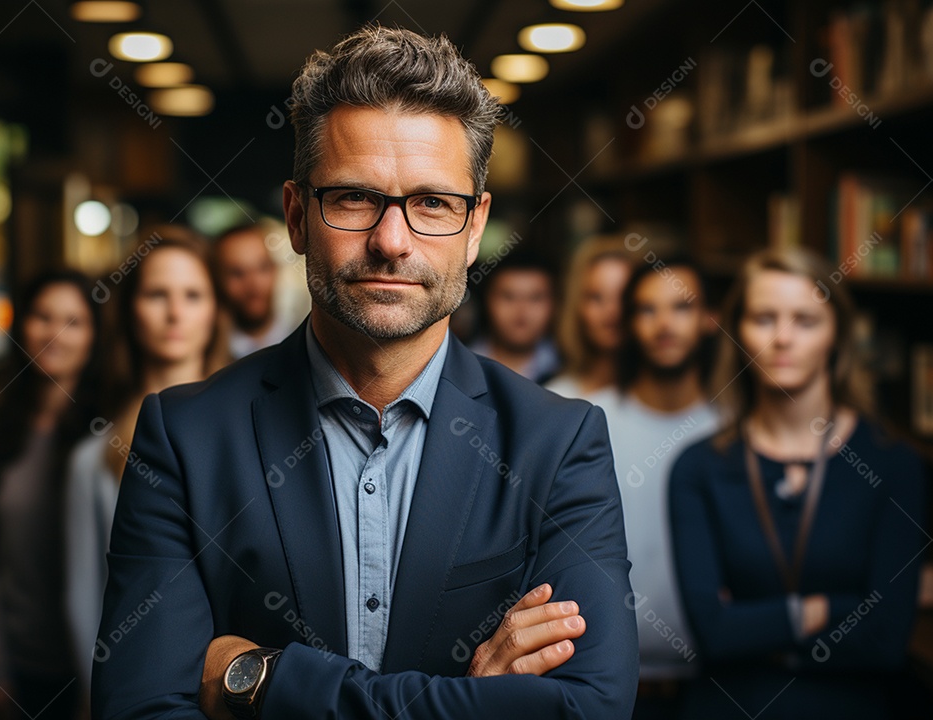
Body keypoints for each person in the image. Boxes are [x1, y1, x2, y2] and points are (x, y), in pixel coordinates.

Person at [92, 25, 637, 720]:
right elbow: (138, 710)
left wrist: (266, 681)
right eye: (353, 198)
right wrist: (474, 703)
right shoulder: (183, 436)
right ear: (295, 216)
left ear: (475, 229)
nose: (391, 240)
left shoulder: (559, 443)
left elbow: (587, 711)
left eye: (432, 204)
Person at [669, 247, 928, 719]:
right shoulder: (699, 467)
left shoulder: (894, 464)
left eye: (805, 321)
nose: (782, 338)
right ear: (738, 332)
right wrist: (833, 609)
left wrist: (757, 627)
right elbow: (713, 632)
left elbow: (888, 639)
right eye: (764, 318)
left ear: (837, 335)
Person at [64, 227, 229, 708]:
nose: (176, 313)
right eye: (158, 294)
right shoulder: (90, 459)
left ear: (216, 308)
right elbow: (83, 605)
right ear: (130, 310)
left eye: (193, 295)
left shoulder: (268, 433)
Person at [552, 254, 719, 717]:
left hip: (716, 684)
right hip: (596, 685)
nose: (665, 324)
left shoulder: (730, 431)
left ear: (711, 319)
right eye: (647, 309)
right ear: (627, 323)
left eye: (682, 307)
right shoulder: (581, 418)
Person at [0, 269, 101, 720]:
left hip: (97, 667)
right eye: (42, 316)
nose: (54, 334)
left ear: (96, 335)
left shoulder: (110, 436)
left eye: (73, 321)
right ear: (21, 325)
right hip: (17, 668)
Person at [546, 237, 634, 399]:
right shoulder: (557, 397)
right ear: (575, 306)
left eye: (623, 296)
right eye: (596, 297)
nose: (612, 311)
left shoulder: (669, 398)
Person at [469, 251, 560, 383]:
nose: (522, 310)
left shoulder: (570, 369)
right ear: (487, 301)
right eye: (509, 297)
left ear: (555, 303)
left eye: (535, 298)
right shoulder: (457, 366)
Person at [212, 222, 296, 360]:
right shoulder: (209, 360)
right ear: (217, 280)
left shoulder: (307, 341)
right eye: (237, 273)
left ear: (275, 271)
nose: (254, 284)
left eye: (262, 268)